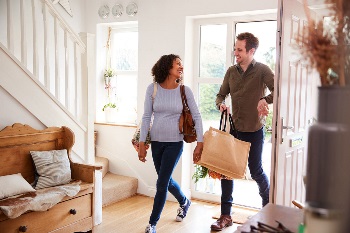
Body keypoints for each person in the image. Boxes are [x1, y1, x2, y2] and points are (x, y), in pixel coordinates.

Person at [210, 32, 274, 231]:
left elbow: (278, 89)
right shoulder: (231, 71)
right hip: (234, 130)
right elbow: (220, 95)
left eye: (239, 49)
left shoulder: (263, 70)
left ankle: (268, 210)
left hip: (255, 129)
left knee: (256, 171)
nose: (235, 52)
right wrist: (221, 104)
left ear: (251, 51)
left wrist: (266, 100)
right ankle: (225, 216)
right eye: (235, 49)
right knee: (227, 172)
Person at [138, 54, 204, 233]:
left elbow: (197, 116)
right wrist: (142, 143)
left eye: (182, 65)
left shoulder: (184, 90)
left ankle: (152, 224)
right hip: (157, 143)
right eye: (178, 65)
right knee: (165, 180)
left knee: (161, 183)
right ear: (167, 67)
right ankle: (184, 201)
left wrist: (200, 142)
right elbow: (146, 117)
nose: (181, 67)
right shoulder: (152, 89)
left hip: (175, 143)